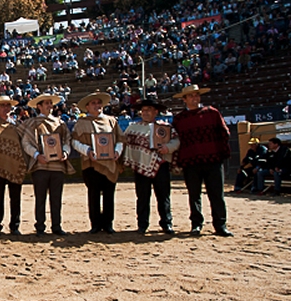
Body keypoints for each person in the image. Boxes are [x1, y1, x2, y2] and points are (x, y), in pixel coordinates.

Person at [172, 84, 233, 236]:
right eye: (191, 96)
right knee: (194, 194)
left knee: (217, 194)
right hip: (190, 162)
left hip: (213, 160)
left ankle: (220, 224)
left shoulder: (212, 113)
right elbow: (176, 140)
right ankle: (196, 224)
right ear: (184, 99)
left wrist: (219, 150)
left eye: (197, 95)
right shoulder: (179, 119)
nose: (195, 98)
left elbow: (224, 132)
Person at [17, 93, 75, 235]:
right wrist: (37, 155)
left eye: (50, 103)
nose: (49, 106)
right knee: (40, 198)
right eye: (46, 103)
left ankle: (56, 226)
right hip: (40, 166)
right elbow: (26, 143)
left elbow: (67, 141)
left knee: (56, 198)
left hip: (57, 166)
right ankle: (40, 226)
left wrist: (66, 153)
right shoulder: (33, 123)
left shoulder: (60, 123)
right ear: (39, 106)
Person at [123, 99, 180, 234]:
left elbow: (176, 140)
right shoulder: (133, 128)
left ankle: (166, 223)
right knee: (142, 196)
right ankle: (142, 224)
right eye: (143, 110)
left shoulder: (165, 127)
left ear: (156, 111)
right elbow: (125, 144)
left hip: (161, 165)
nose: (145, 112)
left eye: (149, 109)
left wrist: (168, 148)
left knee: (163, 196)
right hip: (140, 166)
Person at [71, 92, 125, 234]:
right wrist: (87, 150)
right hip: (91, 164)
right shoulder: (81, 123)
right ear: (87, 107)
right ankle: (95, 224)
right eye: (93, 103)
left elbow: (120, 139)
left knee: (109, 195)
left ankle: (108, 223)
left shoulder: (111, 121)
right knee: (93, 194)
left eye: (99, 103)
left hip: (110, 163)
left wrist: (117, 151)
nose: (97, 106)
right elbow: (74, 142)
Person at [0, 95, 27, 236]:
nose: (5, 108)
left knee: (15, 198)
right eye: (2, 106)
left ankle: (15, 226)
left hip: (15, 166)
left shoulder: (19, 126)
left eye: (7, 105)